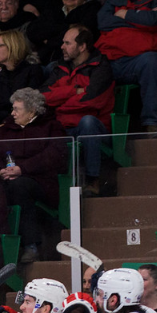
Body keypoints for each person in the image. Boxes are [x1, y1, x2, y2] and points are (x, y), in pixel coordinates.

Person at [0, 87, 66, 263]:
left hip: (41, 181)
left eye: (17, 109)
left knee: (19, 186)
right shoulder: (6, 127)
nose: (12, 113)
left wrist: (23, 169)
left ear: (31, 111)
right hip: (7, 178)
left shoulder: (50, 127)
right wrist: (0, 169)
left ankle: (31, 246)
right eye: (12, 109)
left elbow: (54, 155)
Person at [40, 25, 113, 197]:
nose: (62, 47)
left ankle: (92, 180)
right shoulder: (59, 68)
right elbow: (42, 97)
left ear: (82, 47)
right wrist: (72, 91)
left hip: (94, 128)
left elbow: (91, 101)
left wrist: (59, 103)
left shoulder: (100, 68)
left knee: (87, 121)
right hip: (63, 126)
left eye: (67, 43)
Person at [95, 0, 157, 135]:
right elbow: (103, 22)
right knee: (90, 65)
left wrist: (124, 14)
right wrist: (140, 22)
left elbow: (153, 21)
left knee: (152, 60)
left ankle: (152, 123)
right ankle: (96, 128)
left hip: (138, 61)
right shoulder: (115, 0)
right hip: (111, 60)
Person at [0, 28, 44, 127]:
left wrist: (9, 124)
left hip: (24, 126)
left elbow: (31, 106)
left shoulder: (32, 71)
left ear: (12, 46)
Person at [27, 0, 103, 63]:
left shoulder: (92, 9)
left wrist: (48, 40)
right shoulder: (54, 9)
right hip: (42, 60)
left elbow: (78, 38)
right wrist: (67, 27)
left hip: (69, 63)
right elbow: (31, 31)